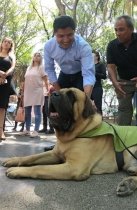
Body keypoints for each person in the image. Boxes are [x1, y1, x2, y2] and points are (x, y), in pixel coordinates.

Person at [43, 15, 95, 150]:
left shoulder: (83, 46)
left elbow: (88, 73)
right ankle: (60, 144)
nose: (65, 40)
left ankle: (86, 143)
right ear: (55, 34)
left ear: (74, 32)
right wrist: (59, 93)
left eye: (69, 35)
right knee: (60, 109)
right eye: (61, 36)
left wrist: (87, 97)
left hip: (80, 76)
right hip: (64, 75)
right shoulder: (49, 46)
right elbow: (49, 69)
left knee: (83, 109)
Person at [106, 15, 137, 127]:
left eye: (121, 29)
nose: (118, 33)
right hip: (123, 81)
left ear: (131, 29)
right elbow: (110, 67)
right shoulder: (112, 46)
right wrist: (115, 83)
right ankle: (124, 138)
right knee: (124, 109)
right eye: (116, 30)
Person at [18, 53, 49, 138]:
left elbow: (46, 80)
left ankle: (36, 130)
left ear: (40, 58)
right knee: (27, 112)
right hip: (28, 91)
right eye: (35, 55)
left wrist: (48, 91)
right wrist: (22, 92)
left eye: (38, 55)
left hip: (37, 91)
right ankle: (27, 130)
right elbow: (25, 81)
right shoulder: (29, 68)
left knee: (37, 111)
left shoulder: (41, 68)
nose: (36, 57)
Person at [91, 51, 106, 115]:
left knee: (98, 105)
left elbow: (104, 76)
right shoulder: (88, 65)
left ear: (96, 56)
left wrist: (94, 73)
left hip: (97, 87)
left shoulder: (100, 65)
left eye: (92, 55)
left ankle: (100, 120)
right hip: (88, 87)